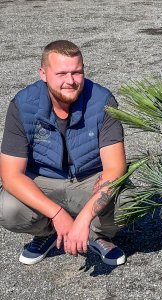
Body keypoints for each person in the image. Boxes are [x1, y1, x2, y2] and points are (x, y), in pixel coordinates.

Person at [0, 40, 128, 266]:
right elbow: (11, 176)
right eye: (61, 73)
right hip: (43, 182)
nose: (70, 81)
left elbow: (115, 168)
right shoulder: (22, 105)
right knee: (7, 207)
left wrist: (85, 219)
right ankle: (47, 232)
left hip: (88, 181)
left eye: (77, 72)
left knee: (130, 201)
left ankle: (95, 234)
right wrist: (58, 215)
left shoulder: (103, 101)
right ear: (43, 74)